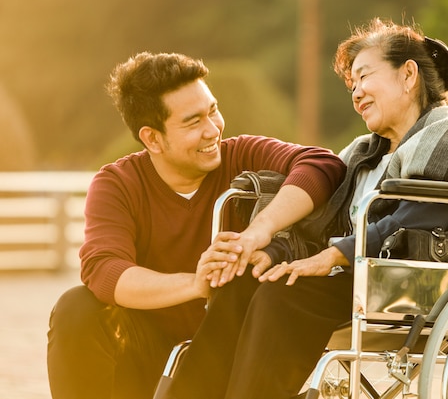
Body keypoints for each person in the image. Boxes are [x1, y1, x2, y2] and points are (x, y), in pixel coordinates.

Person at [163, 18, 448, 399]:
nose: (356, 92)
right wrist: (273, 252)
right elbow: (320, 225)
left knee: (283, 296)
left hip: (412, 280)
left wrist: (335, 254)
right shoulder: (365, 155)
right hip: (356, 276)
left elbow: (421, 215)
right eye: (352, 85)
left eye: (364, 77)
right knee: (246, 281)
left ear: (408, 75)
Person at [46, 52, 346, 399]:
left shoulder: (242, 154)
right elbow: (104, 270)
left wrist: (258, 231)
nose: (212, 129)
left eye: (213, 110)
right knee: (75, 307)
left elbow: (322, 163)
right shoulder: (118, 183)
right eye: (193, 122)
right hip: (148, 353)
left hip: (237, 352)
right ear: (152, 138)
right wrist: (197, 284)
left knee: (241, 287)